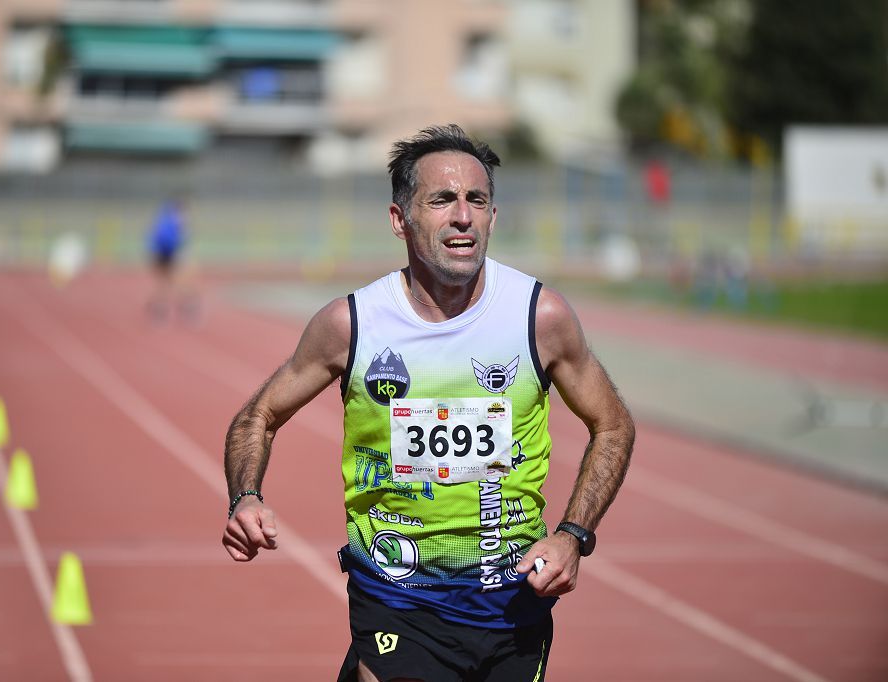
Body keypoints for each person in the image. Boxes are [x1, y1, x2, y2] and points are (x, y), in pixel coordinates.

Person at [222, 124, 635, 681]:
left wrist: (573, 537)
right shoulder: (353, 325)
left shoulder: (540, 318)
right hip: (398, 598)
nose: (463, 216)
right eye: (442, 200)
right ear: (400, 220)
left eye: (477, 200)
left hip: (512, 605)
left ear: (493, 216)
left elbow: (612, 425)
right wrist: (245, 497)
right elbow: (259, 415)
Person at [145, 196, 199, 324]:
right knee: (180, 281)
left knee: (166, 283)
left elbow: (153, 237)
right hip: (169, 253)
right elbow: (177, 239)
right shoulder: (176, 219)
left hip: (161, 254)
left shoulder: (163, 217)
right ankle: (186, 308)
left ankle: (161, 310)